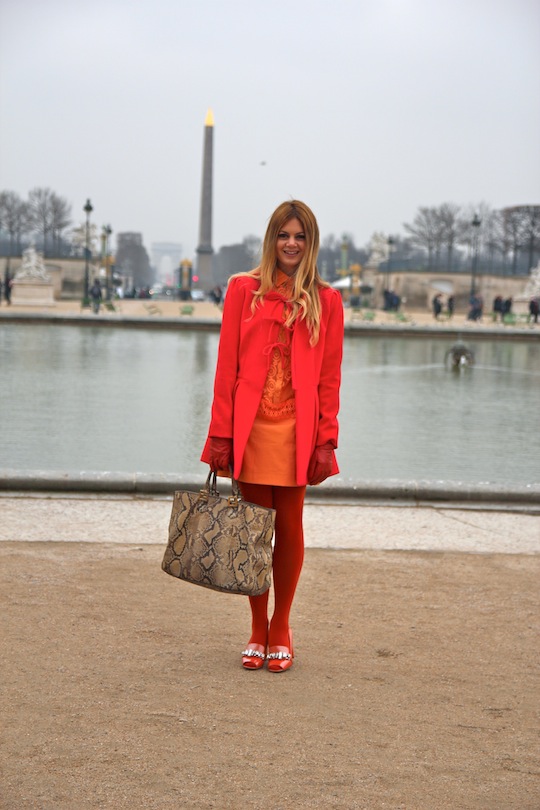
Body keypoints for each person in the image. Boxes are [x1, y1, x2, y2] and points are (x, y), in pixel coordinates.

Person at [201, 200, 344, 673]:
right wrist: (220, 435)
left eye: (300, 236)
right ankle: (257, 626)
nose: (291, 243)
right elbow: (226, 369)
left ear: (311, 243)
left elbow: (329, 378)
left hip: (296, 430)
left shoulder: (327, 300)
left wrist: (326, 440)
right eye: (284, 235)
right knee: (253, 530)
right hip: (252, 428)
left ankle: (281, 625)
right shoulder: (244, 290)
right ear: (271, 239)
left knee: (290, 528)